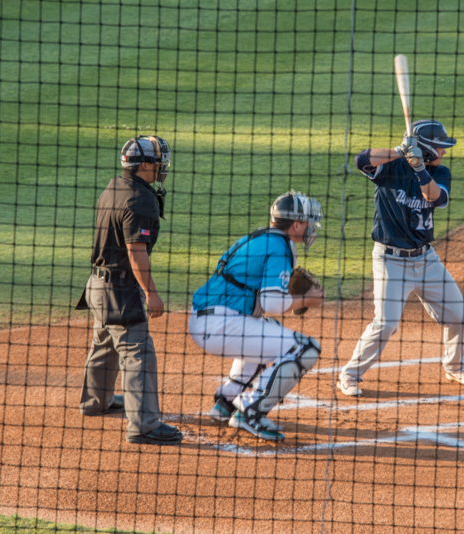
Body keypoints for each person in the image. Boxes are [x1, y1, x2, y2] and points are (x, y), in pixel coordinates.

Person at [337, 120, 464, 397]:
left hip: (426, 260)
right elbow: (361, 160)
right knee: (386, 323)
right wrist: (398, 151)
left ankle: (455, 367)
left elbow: (435, 198)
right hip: (390, 260)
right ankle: (350, 374)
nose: (445, 151)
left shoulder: (441, 173)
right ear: (427, 148)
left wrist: (419, 169)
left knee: (459, 316)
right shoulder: (391, 169)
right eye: (441, 147)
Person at [188, 192, 325, 441]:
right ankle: (250, 411)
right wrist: (307, 300)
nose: (311, 228)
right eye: (308, 222)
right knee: (306, 349)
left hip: (210, 319)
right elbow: (271, 302)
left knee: (267, 329)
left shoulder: (261, 238)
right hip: (219, 325)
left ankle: (227, 401)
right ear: (296, 224)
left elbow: (263, 300)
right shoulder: (279, 246)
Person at [77, 135, 182, 445]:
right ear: (146, 165)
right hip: (120, 288)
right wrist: (151, 293)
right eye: (158, 161)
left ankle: (96, 401)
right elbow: (137, 252)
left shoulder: (114, 187)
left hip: (96, 284)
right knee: (138, 352)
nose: (163, 166)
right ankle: (144, 425)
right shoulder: (140, 199)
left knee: (104, 343)